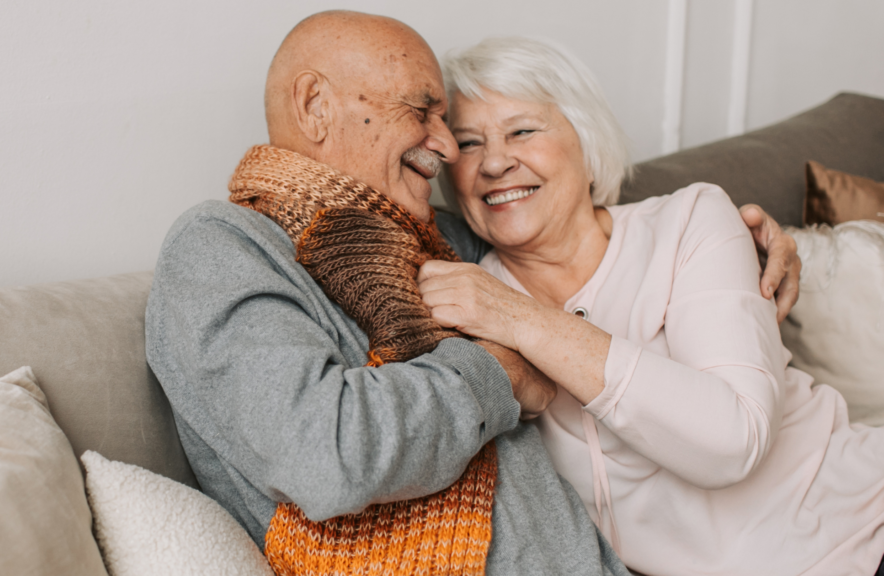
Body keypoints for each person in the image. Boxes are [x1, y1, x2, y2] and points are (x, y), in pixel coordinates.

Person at [146, 11, 796, 575]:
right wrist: (500, 373)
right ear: (316, 106)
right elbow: (326, 454)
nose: (446, 146)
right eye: (422, 111)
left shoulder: (440, 235)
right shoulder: (223, 247)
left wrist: (758, 244)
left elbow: (570, 226)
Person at [418, 36, 884, 576]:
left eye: (522, 130)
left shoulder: (691, 222)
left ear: (586, 143)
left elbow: (734, 440)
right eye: (469, 143)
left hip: (861, 527)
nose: (495, 162)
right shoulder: (466, 299)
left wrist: (522, 320)